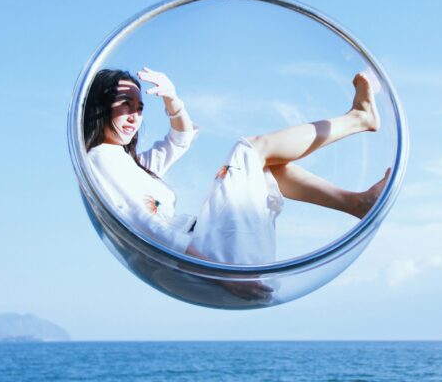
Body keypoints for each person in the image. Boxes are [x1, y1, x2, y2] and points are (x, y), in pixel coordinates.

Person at [84, 67, 389, 298]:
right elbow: (150, 229)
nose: (134, 116)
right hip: (207, 261)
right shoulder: (101, 159)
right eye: (125, 104)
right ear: (100, 104)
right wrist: (224, 276)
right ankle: (358, 119)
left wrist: (172, 99)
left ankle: (357, 203)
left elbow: (180, 138)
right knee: (250, 149)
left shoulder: (129, 164)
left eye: (139, 108)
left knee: (263, 166)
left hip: (209, 258)